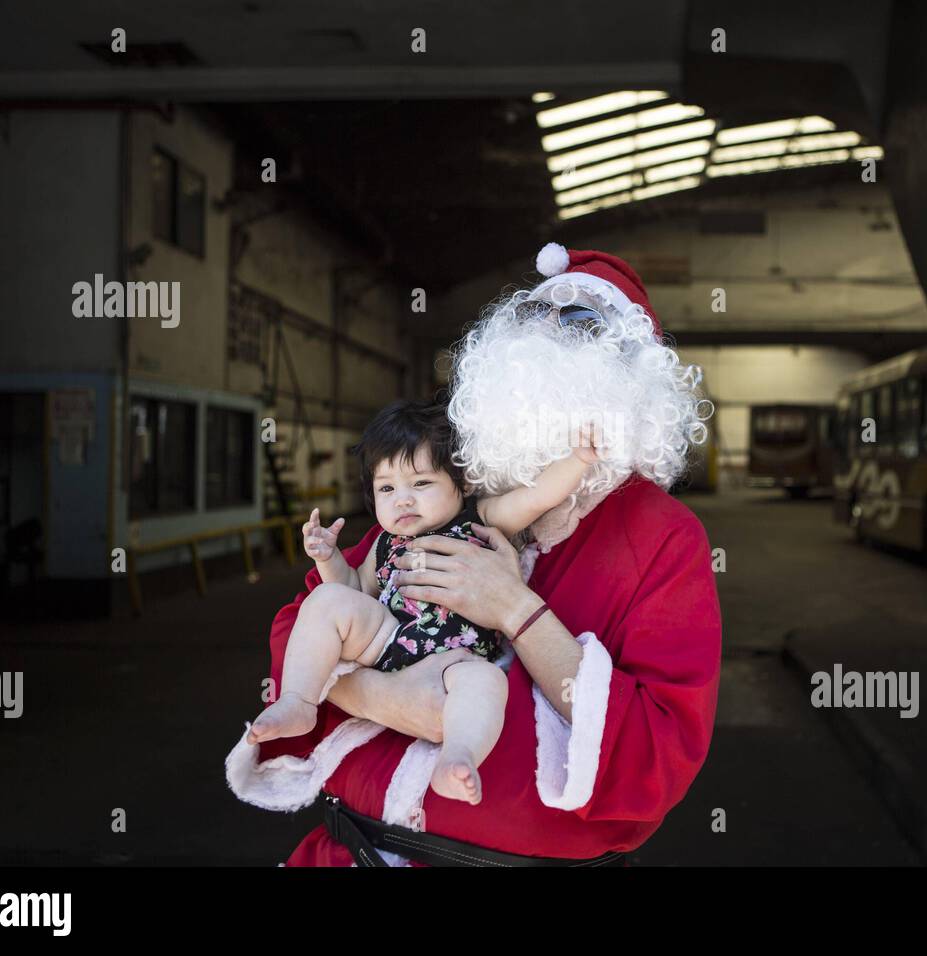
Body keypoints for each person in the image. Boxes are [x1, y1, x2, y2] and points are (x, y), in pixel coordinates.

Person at [225, 243, 722, 866]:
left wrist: (516, 608)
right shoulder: (443, 494)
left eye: (579, 324)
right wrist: (384, 696)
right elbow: (300, 626)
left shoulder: (663, 537)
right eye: (532, 318)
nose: (548, 335)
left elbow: (657, 750)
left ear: (634, 382)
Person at [244, 398, 602, 806]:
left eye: (421, 483)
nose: (403, 500)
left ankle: (457, 755)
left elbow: (536, 497)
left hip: (458, 660)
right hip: (390, 639)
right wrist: (329, 559)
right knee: (327, 599)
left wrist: (578, 459)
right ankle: (299, 700)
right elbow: (355, 595)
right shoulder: (384, 543)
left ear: (462, 483)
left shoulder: (478, 518)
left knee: (486, 683)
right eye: (386, 488)